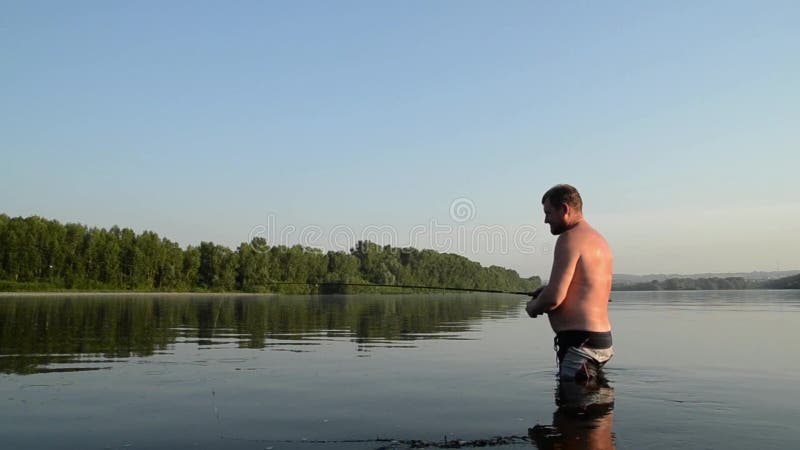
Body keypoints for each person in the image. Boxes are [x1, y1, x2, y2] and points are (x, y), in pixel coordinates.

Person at [526, 184, 614, 380]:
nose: (545, 219)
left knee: (574, 409)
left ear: (565, 209)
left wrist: (533, 307)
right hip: (600, 341)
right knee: (596, 409)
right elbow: (586, 288)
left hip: (580, 345)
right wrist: (546, 289)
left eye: (548, 212)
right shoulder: (599, 240)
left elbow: (553, 298)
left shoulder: (570, 239)